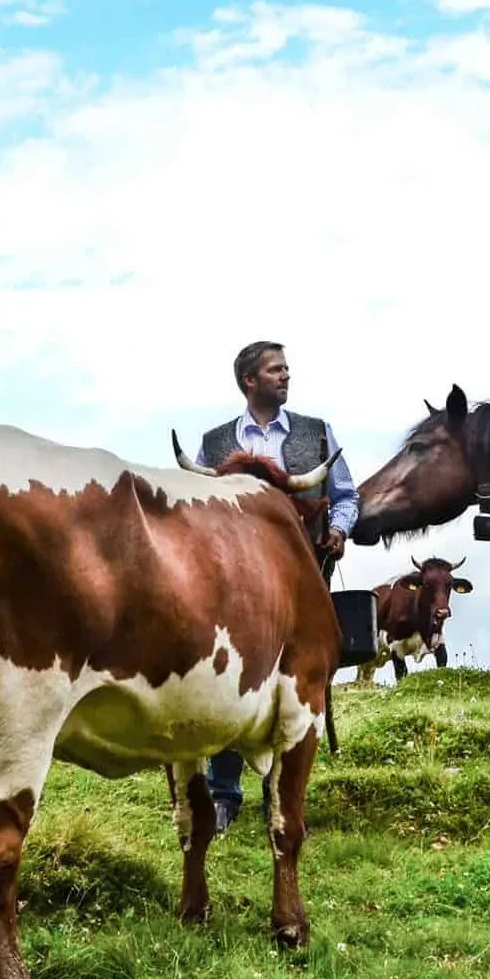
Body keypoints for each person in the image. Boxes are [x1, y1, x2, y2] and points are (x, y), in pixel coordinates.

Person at [192, 340, 357, 834]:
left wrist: (340, 529)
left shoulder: (317, 434)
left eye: (286, 369)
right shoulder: (214, 442)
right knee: (229, 680)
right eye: (275, 370)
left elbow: (346, 495)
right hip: (234, 586)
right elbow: (196, 506)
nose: (286, 376)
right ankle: (224, 794)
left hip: (301, 578)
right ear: (250, 381)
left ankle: (279, 797)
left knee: (295, 684)